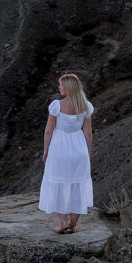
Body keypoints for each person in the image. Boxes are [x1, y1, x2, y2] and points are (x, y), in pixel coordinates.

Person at [38, 72, 94, 233]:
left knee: (59, 182)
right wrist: (87, 153)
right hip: (79, 148)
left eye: (61, 85)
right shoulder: (86, 106)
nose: (59, 87)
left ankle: (63, 222)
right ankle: (73, 224)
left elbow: (48, 131)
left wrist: (46, 149)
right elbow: (88, 133)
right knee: (78, 184)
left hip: (59, 149)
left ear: (68, 88)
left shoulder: (57, 105)